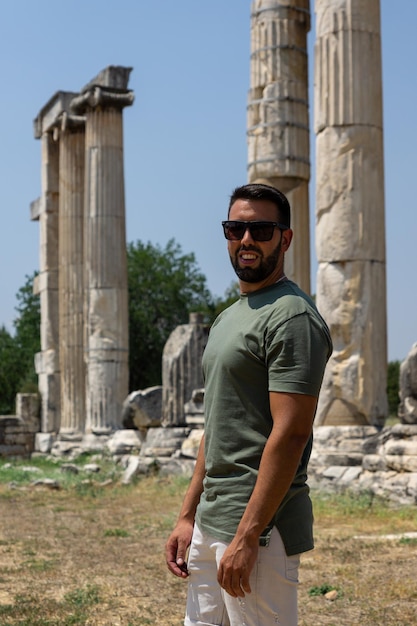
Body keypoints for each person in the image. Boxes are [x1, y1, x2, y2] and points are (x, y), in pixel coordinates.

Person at [165, 183, 332, 626]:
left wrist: (249, 536)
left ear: (285, 237)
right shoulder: (228, 317)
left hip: (260, 531)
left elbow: (292, 432)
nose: (246, 240)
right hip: (211, 520)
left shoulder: (293, 317)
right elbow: (217, 426)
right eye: (235, 228)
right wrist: (187, 516)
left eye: (260, 229)